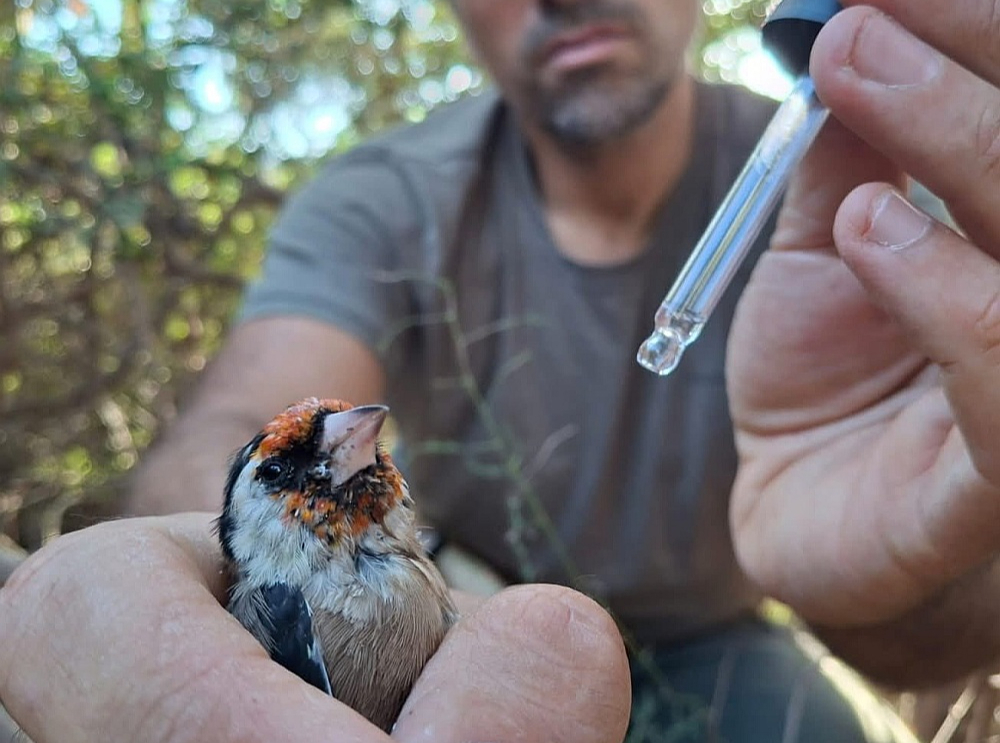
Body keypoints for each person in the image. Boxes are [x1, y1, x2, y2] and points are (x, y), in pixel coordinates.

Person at [2, 0, 1000, 741]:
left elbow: (940, 635)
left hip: (719, 638)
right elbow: (253, 408)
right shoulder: (381, 195)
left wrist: (916, 565)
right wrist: (213, 590)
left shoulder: (869, 187)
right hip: (446, 617)